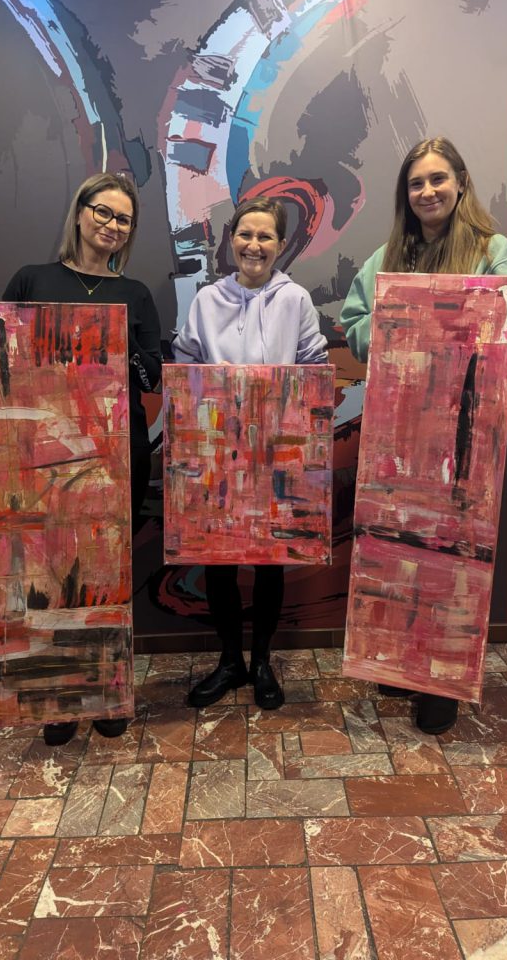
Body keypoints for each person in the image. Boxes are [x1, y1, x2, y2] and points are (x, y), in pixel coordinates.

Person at [340, 136, 507, 735]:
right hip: (398, 434)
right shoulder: (390, 255)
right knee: (398, 547)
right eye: (416, 183)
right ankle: (400, 661)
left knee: (453, 557)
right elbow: (353, 322)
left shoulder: (492, 252)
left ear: (460, 183)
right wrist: (395, 322)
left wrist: (496, 417)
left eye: (437, 179)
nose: (427, 192)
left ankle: (441, 678)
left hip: (464, 435)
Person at [3, 172, 162, 745]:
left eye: (124, 220)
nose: (112, 225)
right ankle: (59, 696)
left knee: (105, 573)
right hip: (43, 455)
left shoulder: (136, 293)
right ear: (80, 212)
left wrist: (119, 341)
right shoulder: (32, 279)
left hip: (118, 453)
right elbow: (3, 362)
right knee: (49, 572)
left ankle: (105, 691)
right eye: (104, 212)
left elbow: (151, 378)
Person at [172, 195, 328, 709]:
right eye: (245, 234)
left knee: (269, 563)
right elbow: (186, 365)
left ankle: (261, 660)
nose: (254, 245)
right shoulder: (206, 300)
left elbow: (313, 365)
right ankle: (229, 661)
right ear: (231, 240)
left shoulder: (295, 300)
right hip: (216, 451)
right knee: (217, 563)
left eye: (265, 236)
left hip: (278, 454)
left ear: (280, 245)